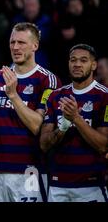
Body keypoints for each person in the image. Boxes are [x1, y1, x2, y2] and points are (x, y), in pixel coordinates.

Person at [0, 22, 61, 202]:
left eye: (21, 43)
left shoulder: (47, 80)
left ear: (35, 46)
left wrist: (13, 95)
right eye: (12, 42)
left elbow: (36, 125)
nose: (15, 47)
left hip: (29, 168)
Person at [40, 44, 108, 202]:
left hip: (91, 186)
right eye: (73, 60)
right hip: (58, 185)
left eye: (83, 60)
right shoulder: (56, 97)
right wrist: (63, 127)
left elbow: (103, 145)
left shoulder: (104, 97)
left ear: (93, 65)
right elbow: (44, 144)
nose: (77, 64)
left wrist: (76, 118)